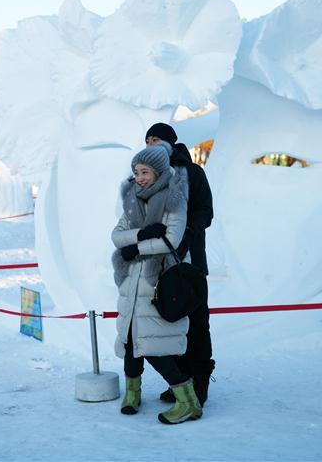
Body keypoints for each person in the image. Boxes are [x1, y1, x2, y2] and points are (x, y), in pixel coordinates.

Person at [111, 141, 202, 424]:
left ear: (159, 171)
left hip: (158, 282)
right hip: (132, 283)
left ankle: (189, 402)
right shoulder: (132, 198)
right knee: (129, 342)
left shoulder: (174, 198)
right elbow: (117, 236)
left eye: (144, 172)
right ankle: (132, 394)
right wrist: (142, 234)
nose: (138, 177)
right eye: (136, 171)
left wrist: (136, 248)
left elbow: (170, 240)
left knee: (154, 347)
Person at [144, 122, 216, 406]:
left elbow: (206, 212)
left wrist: (184, 235)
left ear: (172, 143)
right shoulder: (148, 175)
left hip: (190, 263)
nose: (151, 144)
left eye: (157, 139)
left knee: (197, 324)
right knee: (168, 324)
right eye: (148, 140)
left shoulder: (193, 172)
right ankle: (179, 382)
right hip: (159, 262)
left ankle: (199, 382)